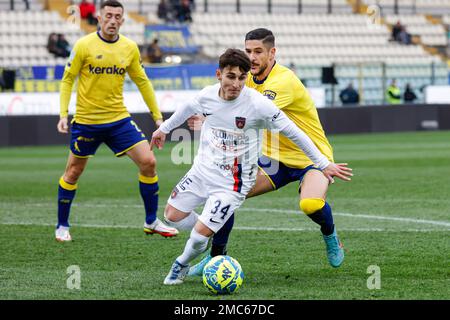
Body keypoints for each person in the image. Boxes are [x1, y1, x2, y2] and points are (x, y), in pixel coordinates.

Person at [153, 48, 352, 285]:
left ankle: (181, 265)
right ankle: (208, 234)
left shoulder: (258, 104)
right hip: (202, 172)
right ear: (219, 74)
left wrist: (322, 163)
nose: (236, 83)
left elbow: (293, 132)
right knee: (171, 216)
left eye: (241, 77)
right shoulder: (206, 96)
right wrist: (163, 129)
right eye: (231, 76)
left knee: (198, 236)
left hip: (234, 182)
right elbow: (186, 108)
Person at [54, 0, 178, 242]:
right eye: (108, 15)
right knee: (73, 172)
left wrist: (157, 117)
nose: (112, 20)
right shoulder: (83, 45)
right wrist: (63, 114)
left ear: (122, 20)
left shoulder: (129, 48)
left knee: (149, 162)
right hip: (87, 122)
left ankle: (151, 221)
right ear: (99, 18)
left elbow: (143, 81)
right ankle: (62, 225)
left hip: (118, 119)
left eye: (117, 16)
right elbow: (68, 79)